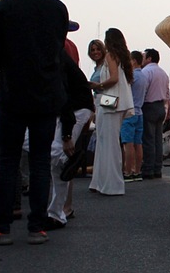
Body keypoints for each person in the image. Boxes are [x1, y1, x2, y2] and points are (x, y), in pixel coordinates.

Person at [0, 0, 68, 245]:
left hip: (14, 94)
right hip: (47, 96)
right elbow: (56, 49)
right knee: (39, 162)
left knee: (9, 161)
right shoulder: (58, 9)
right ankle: (37, 227)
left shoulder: (5, 8)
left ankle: (2, 226)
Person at [45, 51, 95, 230]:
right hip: (76, 106)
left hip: (76, 107)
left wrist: (67, 135)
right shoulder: (56, 53)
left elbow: (63, 94)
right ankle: (58, 211)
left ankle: (58, 212)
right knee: (56, 156)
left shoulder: (53, 57)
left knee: (57, 156)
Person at [88, 28, 133, 195]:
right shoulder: (122, 58)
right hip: (116, 102)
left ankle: (112, 184)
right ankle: (101, 181)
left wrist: (97, 86)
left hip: (109, 102)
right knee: (107, 142)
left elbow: (113, 78)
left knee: (108, 143)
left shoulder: (110, 56)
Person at [141, 48, 169, 180]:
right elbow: (168, 93)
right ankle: (158, 168)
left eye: (144, 56)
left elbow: (143, 90)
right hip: (160, 106)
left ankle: (148, 169)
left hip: (149, 106)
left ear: (149, 58)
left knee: (148, 139)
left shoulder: (146, 72)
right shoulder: (163, 73)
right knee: (158, 139)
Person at [122, 51, 148, 182]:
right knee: (138, 143)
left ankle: (128, 171)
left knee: (128, 144)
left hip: (129, 111)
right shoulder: (143, 77)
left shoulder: (132, 76)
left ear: (133, 61)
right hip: (140, 112)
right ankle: (137, 171)